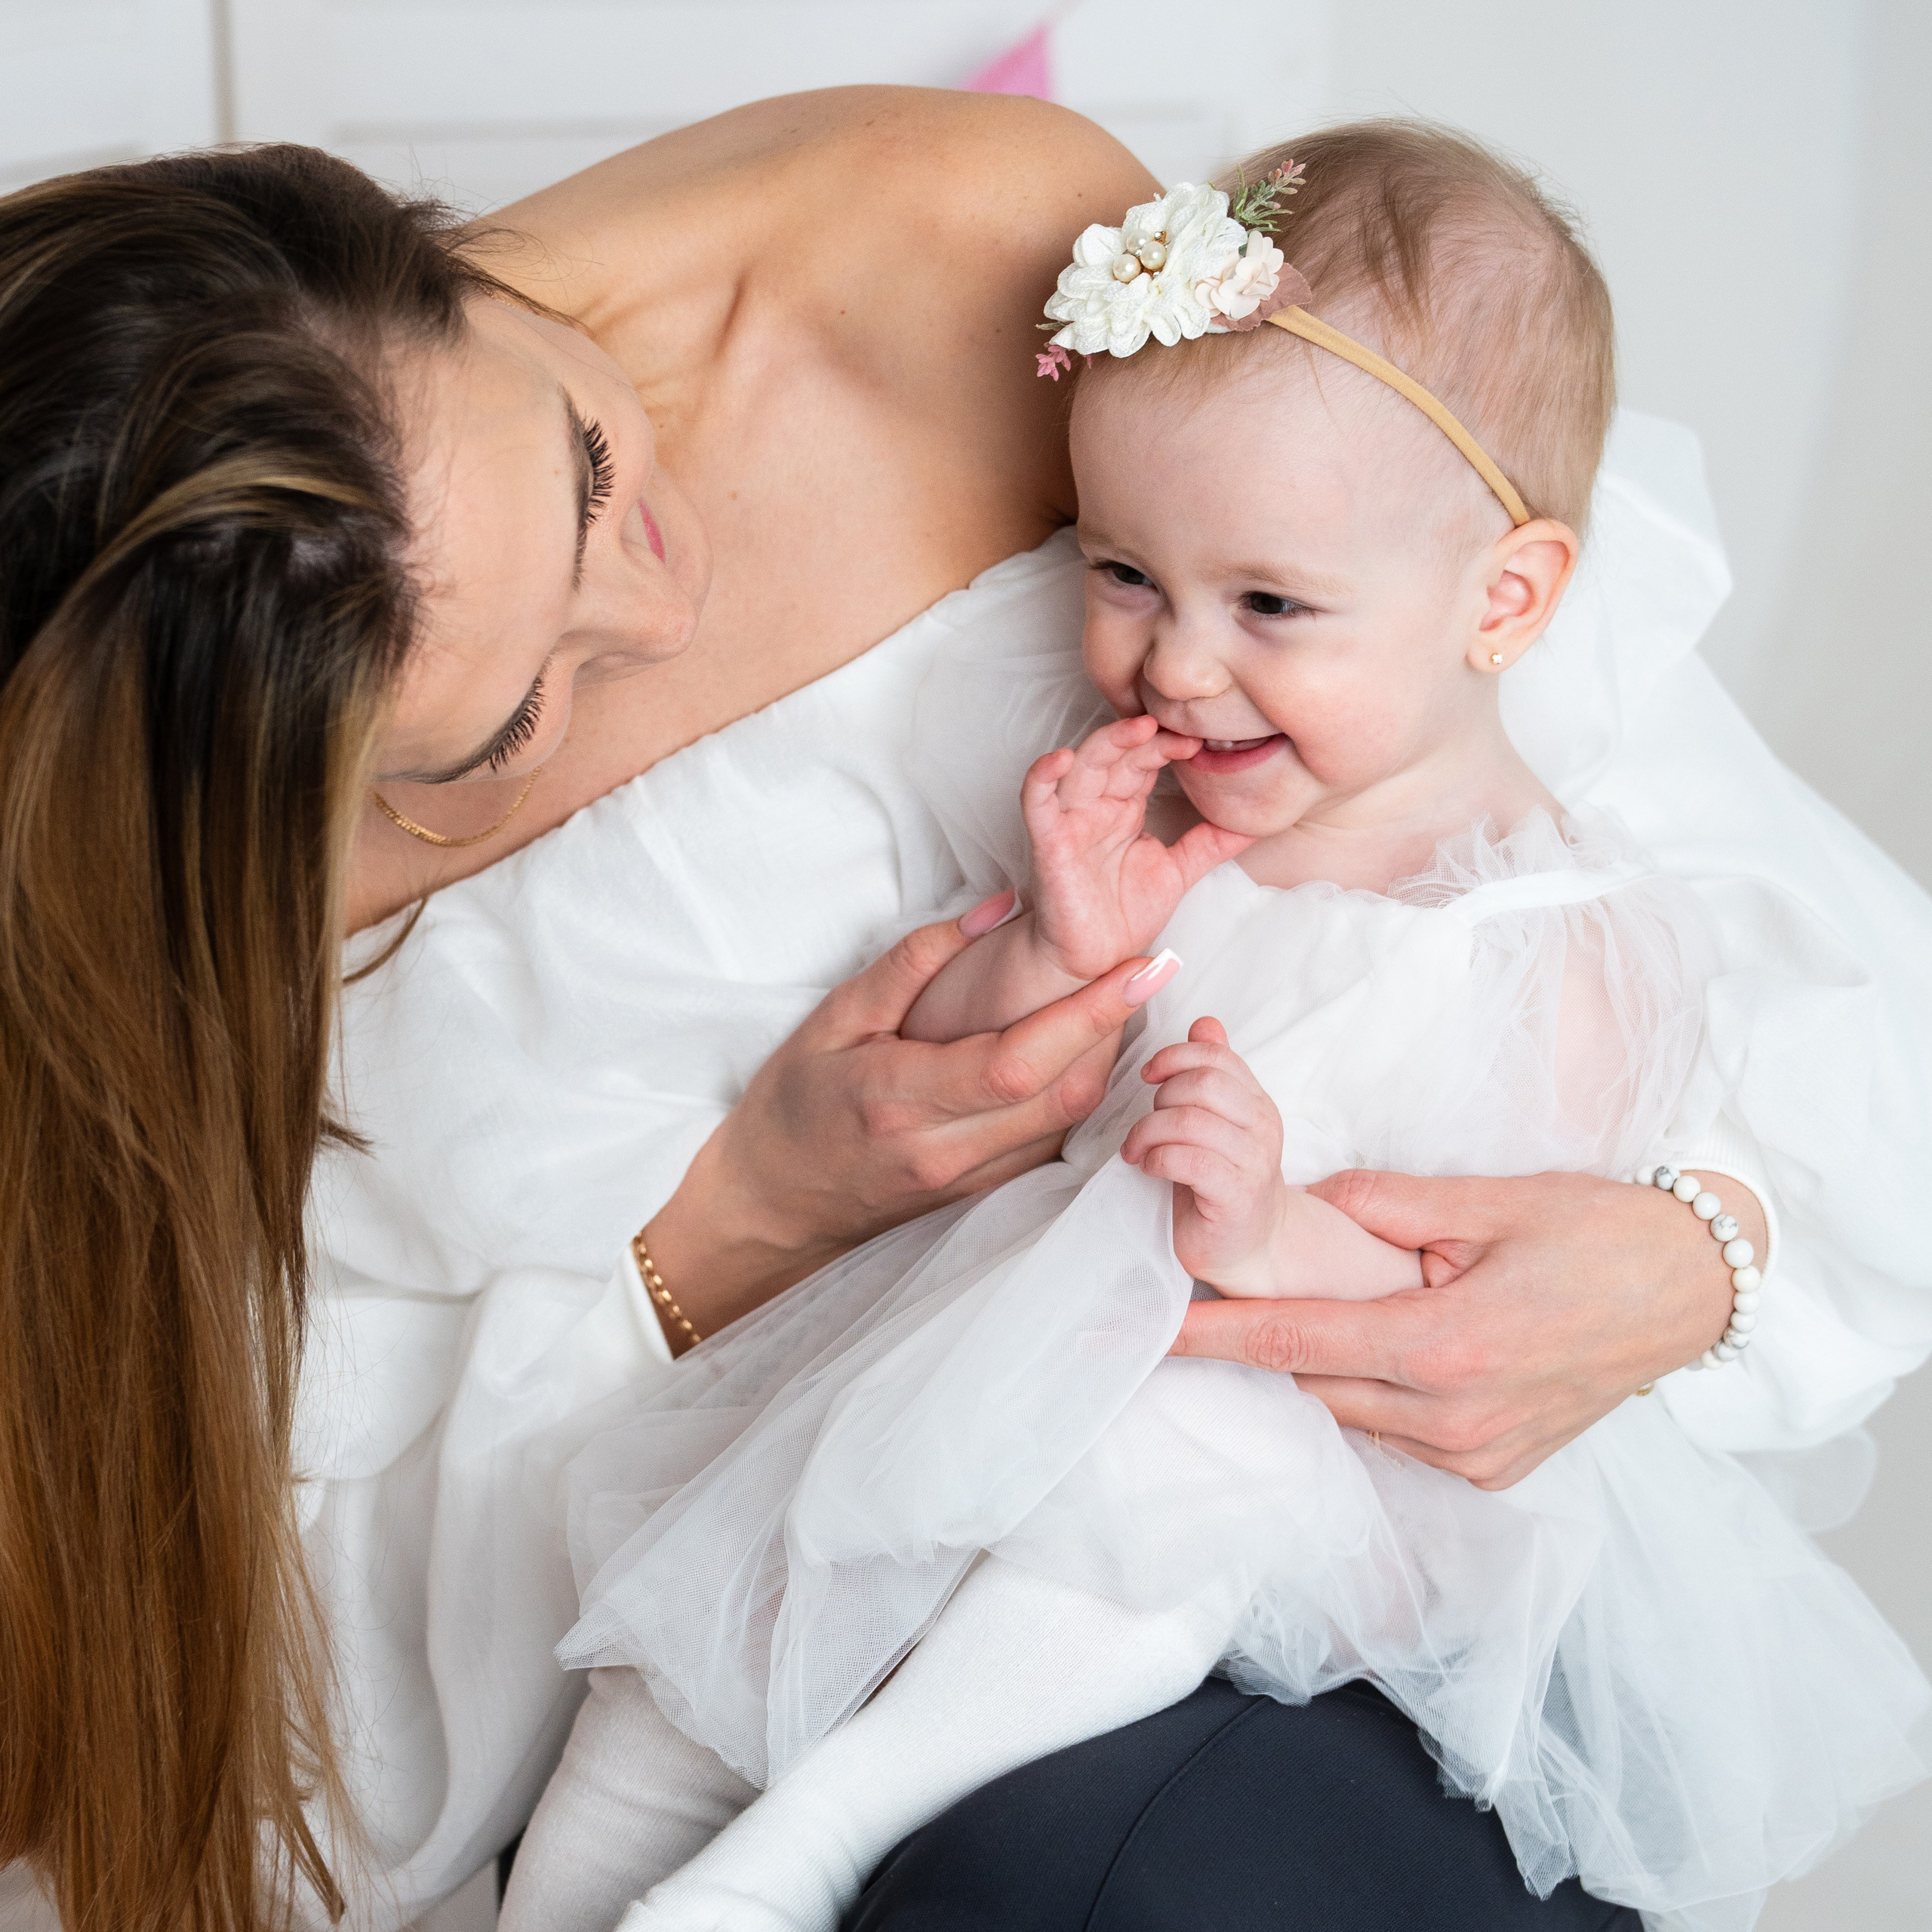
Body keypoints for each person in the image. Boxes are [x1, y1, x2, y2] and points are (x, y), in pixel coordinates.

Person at [0, 91, 1926, 1932]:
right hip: (744, 1479)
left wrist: (1701, 1246)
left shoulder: (973, 271)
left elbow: (1637, 854)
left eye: (586, 463)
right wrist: (730, 1228)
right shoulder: (157, 885)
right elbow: (234, 1685)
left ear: (439, 262)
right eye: (510, 721)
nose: (653, 613)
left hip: (1245, 1504)